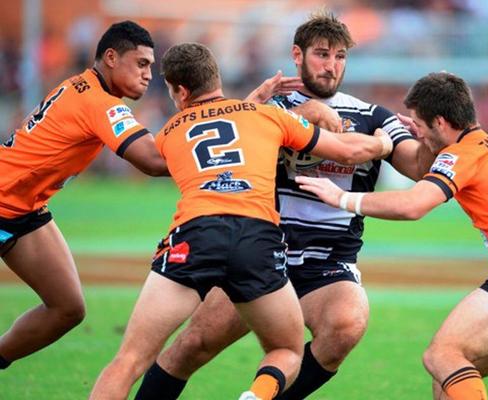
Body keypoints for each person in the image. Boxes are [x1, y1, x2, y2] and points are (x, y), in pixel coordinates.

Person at [133, 11, 434, 400]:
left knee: (347, 324)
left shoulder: (371, 116)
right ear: (297, 55)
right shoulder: (265, 109)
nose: (331, 66)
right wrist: (301, 114)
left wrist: (433, 136)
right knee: (193, 345)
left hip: (329, 262)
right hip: (260, 250)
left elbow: (416, 166)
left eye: (340, 56)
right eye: (322, 54)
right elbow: (223, 139)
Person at [88, 42, 393, 400]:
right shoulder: (267, 117)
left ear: (181, 90)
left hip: (195, 234)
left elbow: (164, 157)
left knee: (128, 360)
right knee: (287, 350)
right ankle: (257, 395)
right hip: (256, 239)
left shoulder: (170, 129)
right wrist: (382, 144)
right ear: (216, 78)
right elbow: (349, 150)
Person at [296, 72, 488, 400]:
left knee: (440, 355)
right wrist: (422, 131)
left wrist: (342, 199)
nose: (415, 133)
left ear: (442, 122)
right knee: (449, 375)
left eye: (419, 124)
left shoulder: (463, 153)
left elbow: (412, 204)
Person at [0, 20, 169, 371]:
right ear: (111, 57)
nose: (149, 74)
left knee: (67, 308)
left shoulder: (84, 87)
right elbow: (152, 161)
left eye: (151, 66)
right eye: (141, 63)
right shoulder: (99, 102)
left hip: (24, 208)